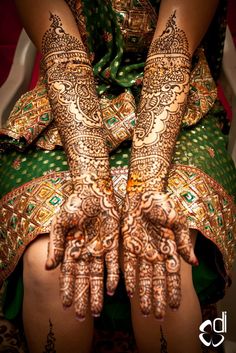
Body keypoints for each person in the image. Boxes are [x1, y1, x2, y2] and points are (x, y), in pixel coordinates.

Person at [0, 0, 235, 352]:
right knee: (48, 262)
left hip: (176, 107)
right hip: (65, 108)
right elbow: (63, 57)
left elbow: (171, 56)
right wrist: (91, 185)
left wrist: (145, 190)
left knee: (160, 256)